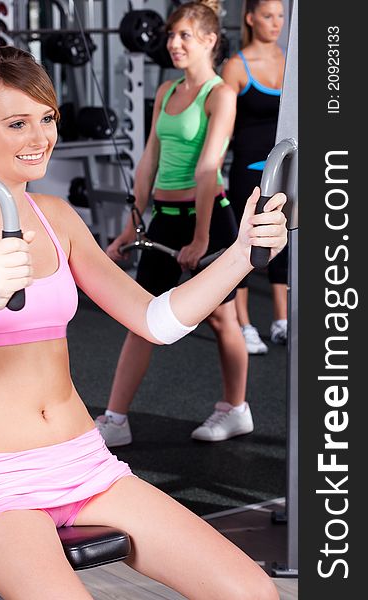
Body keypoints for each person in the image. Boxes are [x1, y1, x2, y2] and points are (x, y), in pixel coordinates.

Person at [0, 42, 285, 600]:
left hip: (84, 465)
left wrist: (241, 252)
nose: (40, 139)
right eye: (17, 123)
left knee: (252, 593)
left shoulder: (57, 217)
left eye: (47, 119)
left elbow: (156, 320)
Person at [96, 0, 252, 448]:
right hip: (164, 218)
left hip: (208, 219)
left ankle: (236, 409)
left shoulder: (220, 94)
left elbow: (209, 168)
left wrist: (202, 237)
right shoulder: (166, 92)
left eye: (184, 35)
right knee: (142, 318)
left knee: (223, 320)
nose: (173, 43)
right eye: (170, 36)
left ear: (208, 39)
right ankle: (115, 419)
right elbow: (148, 160)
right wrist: (132, 224)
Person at [222, 0, 288, 354]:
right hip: (247, 168)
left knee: (284, 239)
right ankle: (244, 323)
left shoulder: (292, 62)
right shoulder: (236, 66)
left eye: (280, 15)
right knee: (245, 241)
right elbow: (222, 128)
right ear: (250, 18)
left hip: (285, 169)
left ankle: (282, 319)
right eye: (268, 15)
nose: (276, 23)